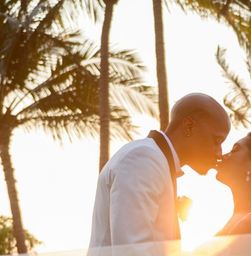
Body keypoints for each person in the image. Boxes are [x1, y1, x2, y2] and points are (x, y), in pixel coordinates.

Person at [89, 93, 231, 250]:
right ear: (189, 126)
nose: (219, 153)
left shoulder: (153, 160)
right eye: (217, 141)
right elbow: (132, 250)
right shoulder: (143, 159)